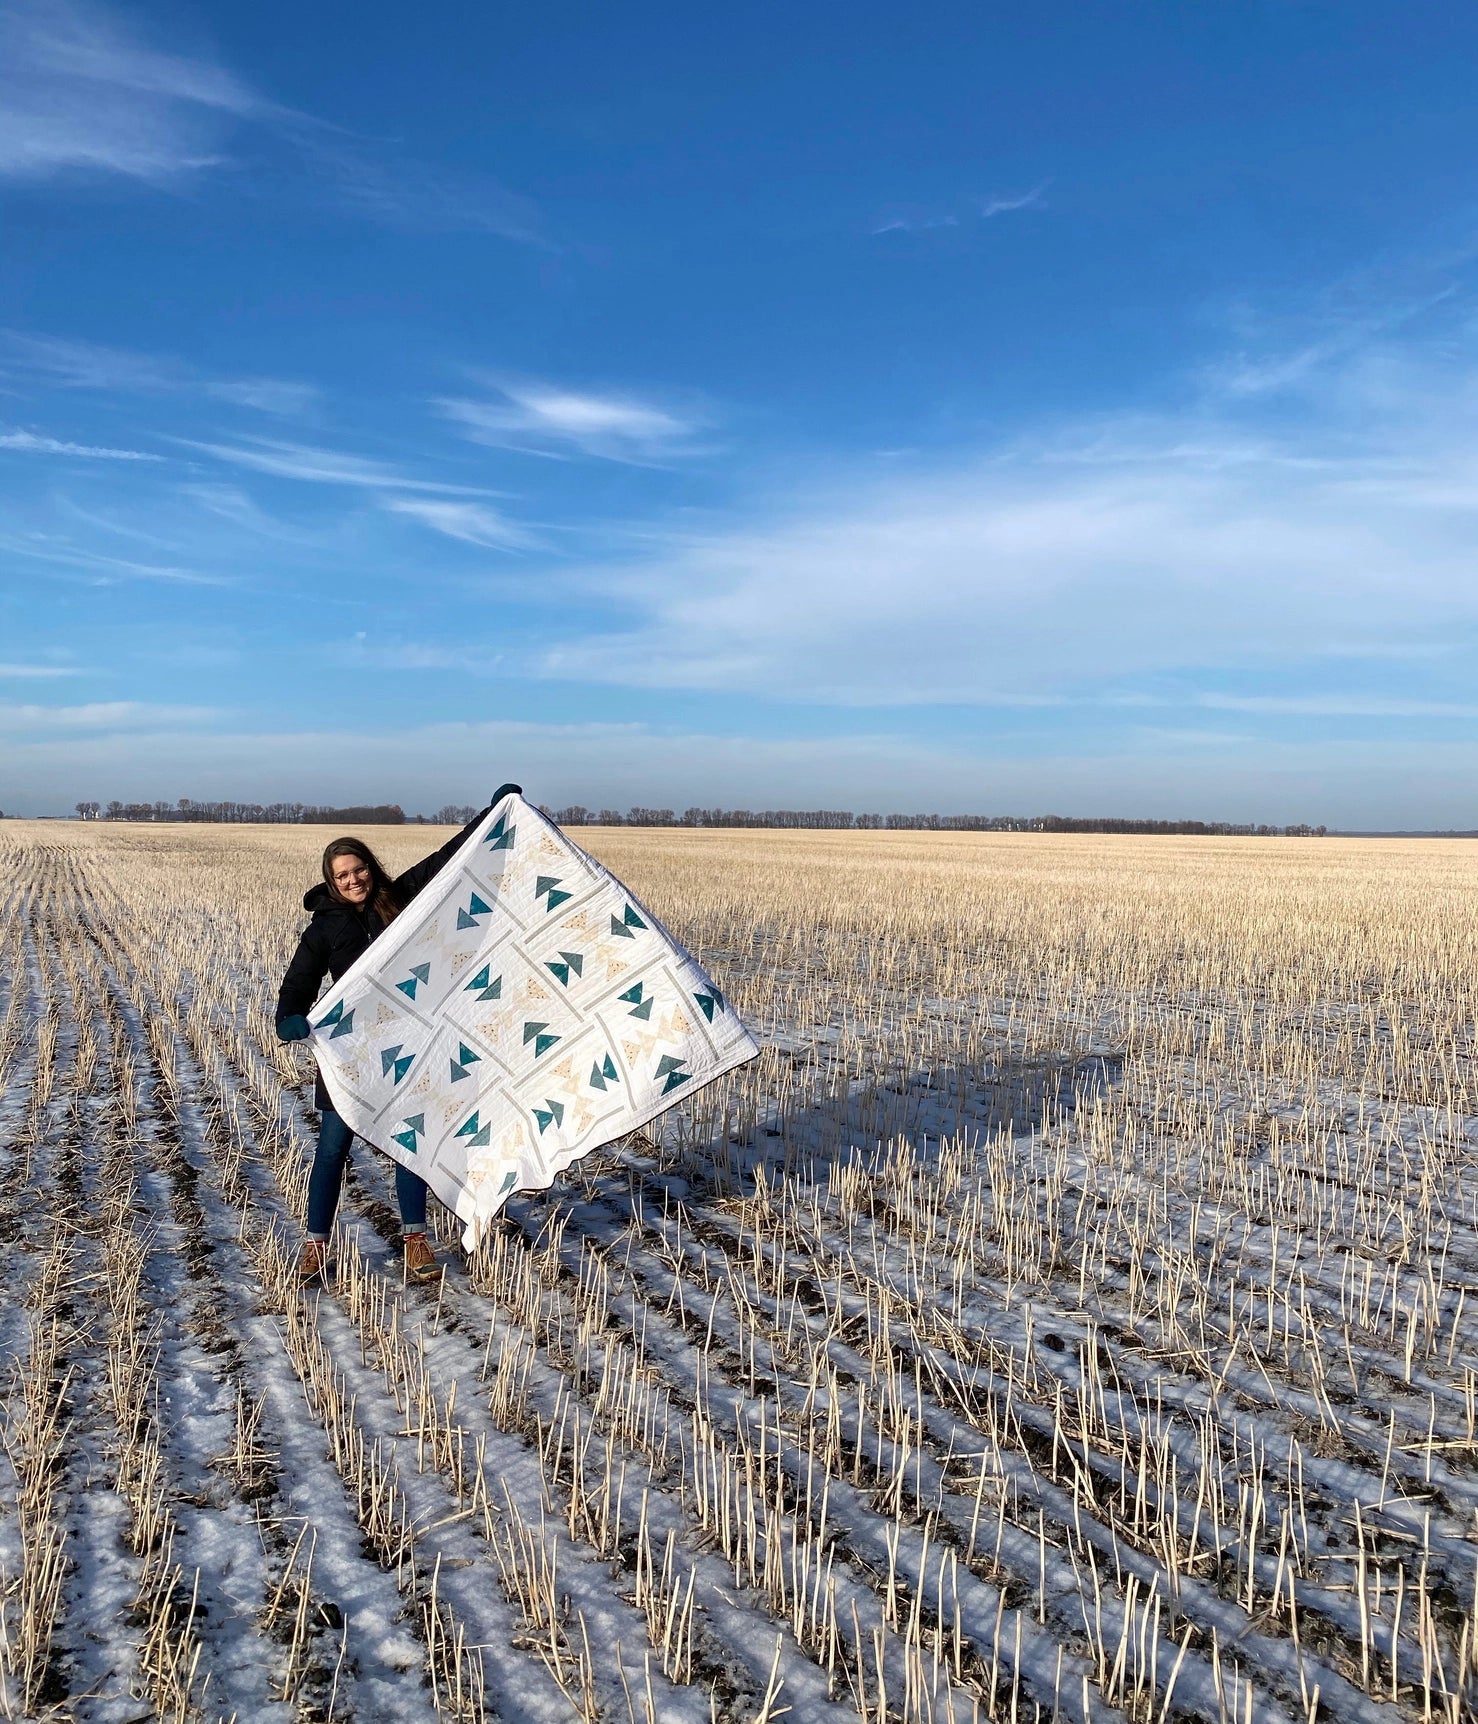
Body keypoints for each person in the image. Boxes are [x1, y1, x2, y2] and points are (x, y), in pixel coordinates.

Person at [275, 787, 521, 1285]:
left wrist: (492, 815)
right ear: (331, 882)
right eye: (342, 875)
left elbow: (446, 860)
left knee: (411, 1142)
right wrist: (288, 1017)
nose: (353, 880)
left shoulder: (400, 899)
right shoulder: (323, 930)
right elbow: (298, 983)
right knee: (332, 1148)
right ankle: (315, 1246)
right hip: (353, 1054)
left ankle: (415, 1240)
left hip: (410, 1047)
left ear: (371, 866)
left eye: (358, 869)